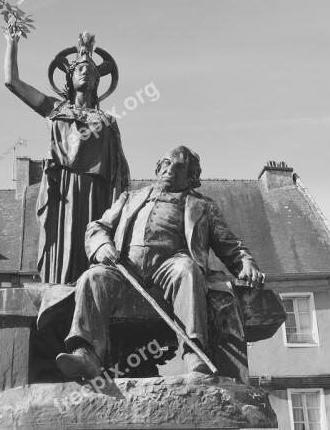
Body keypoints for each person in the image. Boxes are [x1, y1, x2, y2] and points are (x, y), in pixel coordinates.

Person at [55, 146, 266, 378]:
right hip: (126, 267)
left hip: (171, 264)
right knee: (92, 277)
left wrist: (245, 263)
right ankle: (88, 356)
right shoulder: (130, 198)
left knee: (188, 270)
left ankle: (194, 353)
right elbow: (99, 227)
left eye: (180, 166)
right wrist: (102, 245)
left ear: (192, 176)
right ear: (157, 167)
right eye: (166, 163)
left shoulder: (203, 206)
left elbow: (229, 243)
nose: (170, 169)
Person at [4, 31, 129, 284]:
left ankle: (93, 291)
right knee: (64, 244)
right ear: (69, 78)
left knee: (92, 248)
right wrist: (12, 44)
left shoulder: (108, 121)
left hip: (98, 192)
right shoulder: (54, 109)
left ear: (97, 81)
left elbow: (120, 169)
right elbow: (12, 82)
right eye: (79, 69)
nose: (85, 72)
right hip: (64, 190)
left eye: (91, 70)